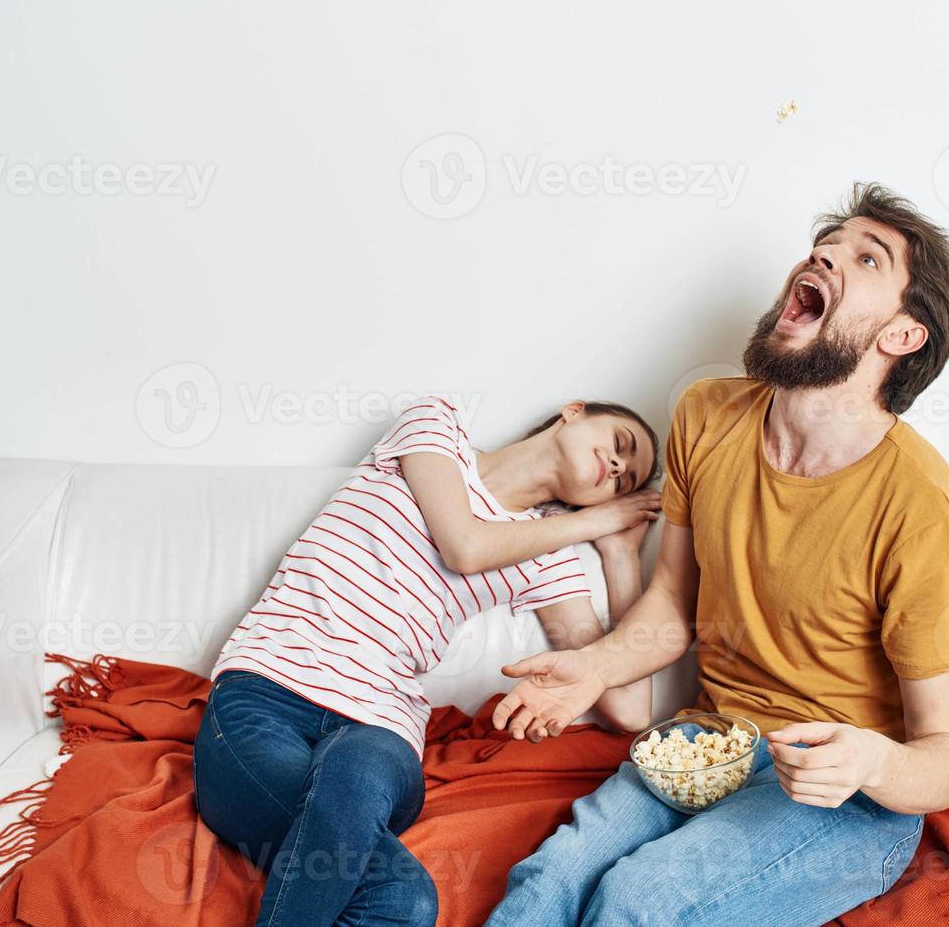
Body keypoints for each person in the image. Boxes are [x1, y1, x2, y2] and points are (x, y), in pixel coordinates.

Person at [486, 182, 949, 926]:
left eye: (866, 257)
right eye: (829, 241)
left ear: (900, 335)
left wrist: (869, 760)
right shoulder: (706, 415)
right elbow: (670, 602)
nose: (823, 252)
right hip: (707, 743)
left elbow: (945, 759)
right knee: (547, 881)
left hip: (844, 797)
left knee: (638, 903)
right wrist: (590, 668)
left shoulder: (927, 512)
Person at [192, 393, 663, 927]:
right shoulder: (438, 428)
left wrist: (621, 555)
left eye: (626, 481)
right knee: (403, 898)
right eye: (621, 446)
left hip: (381, 723)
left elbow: (628, 709)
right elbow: (465, 545)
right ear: (575, 411)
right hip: (268, 690)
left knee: (358, 766)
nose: (620, 469)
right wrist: (594, 522)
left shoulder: (547, 553)